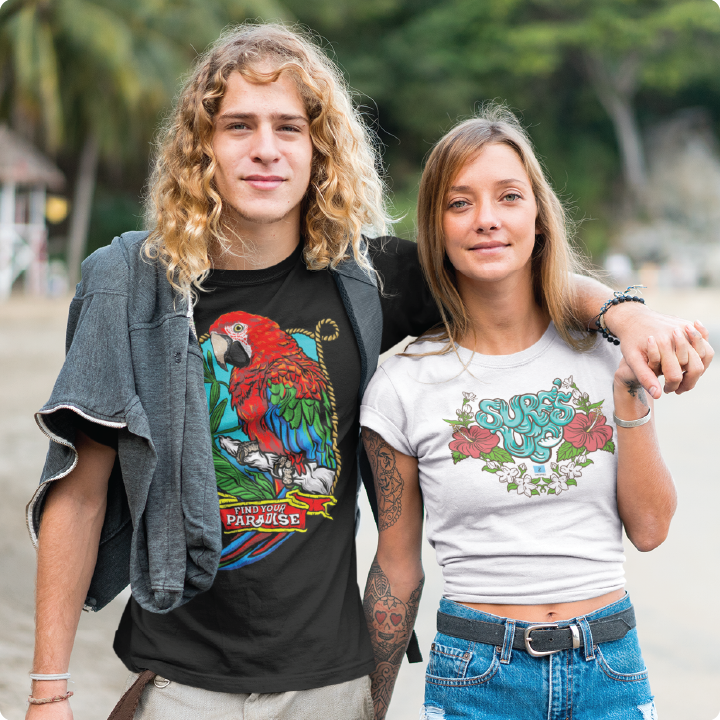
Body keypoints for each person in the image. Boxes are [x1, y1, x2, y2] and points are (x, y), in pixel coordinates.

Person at [25, 25, 711, 720]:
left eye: (289, 126)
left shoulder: (368, 278)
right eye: (238, 125)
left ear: (320, 148)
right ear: (200, 147)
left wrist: (628, 317)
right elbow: (78, 494)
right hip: (180, 681)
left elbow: (512, 277)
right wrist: (49, 690)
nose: (266, 148)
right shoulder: (132, 286)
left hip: (333, 683)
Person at [359, 106, 712, 720]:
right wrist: (368, 709)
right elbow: (395, 567)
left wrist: (630, 395)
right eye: (459, 203)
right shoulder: (402, 383)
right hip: (476, 675)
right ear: (435, 228)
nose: (487, 220)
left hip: (611, 668)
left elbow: (651, 531)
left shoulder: (607, 351)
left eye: (509, 197)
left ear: (540, 217)